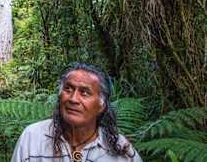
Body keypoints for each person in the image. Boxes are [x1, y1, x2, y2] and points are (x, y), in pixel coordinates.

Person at [11, 63, 142, 162]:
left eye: (84, 93)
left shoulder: (120, 149)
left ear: (101, 105)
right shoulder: (33, 137)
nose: (73, 99)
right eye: (68, 89)